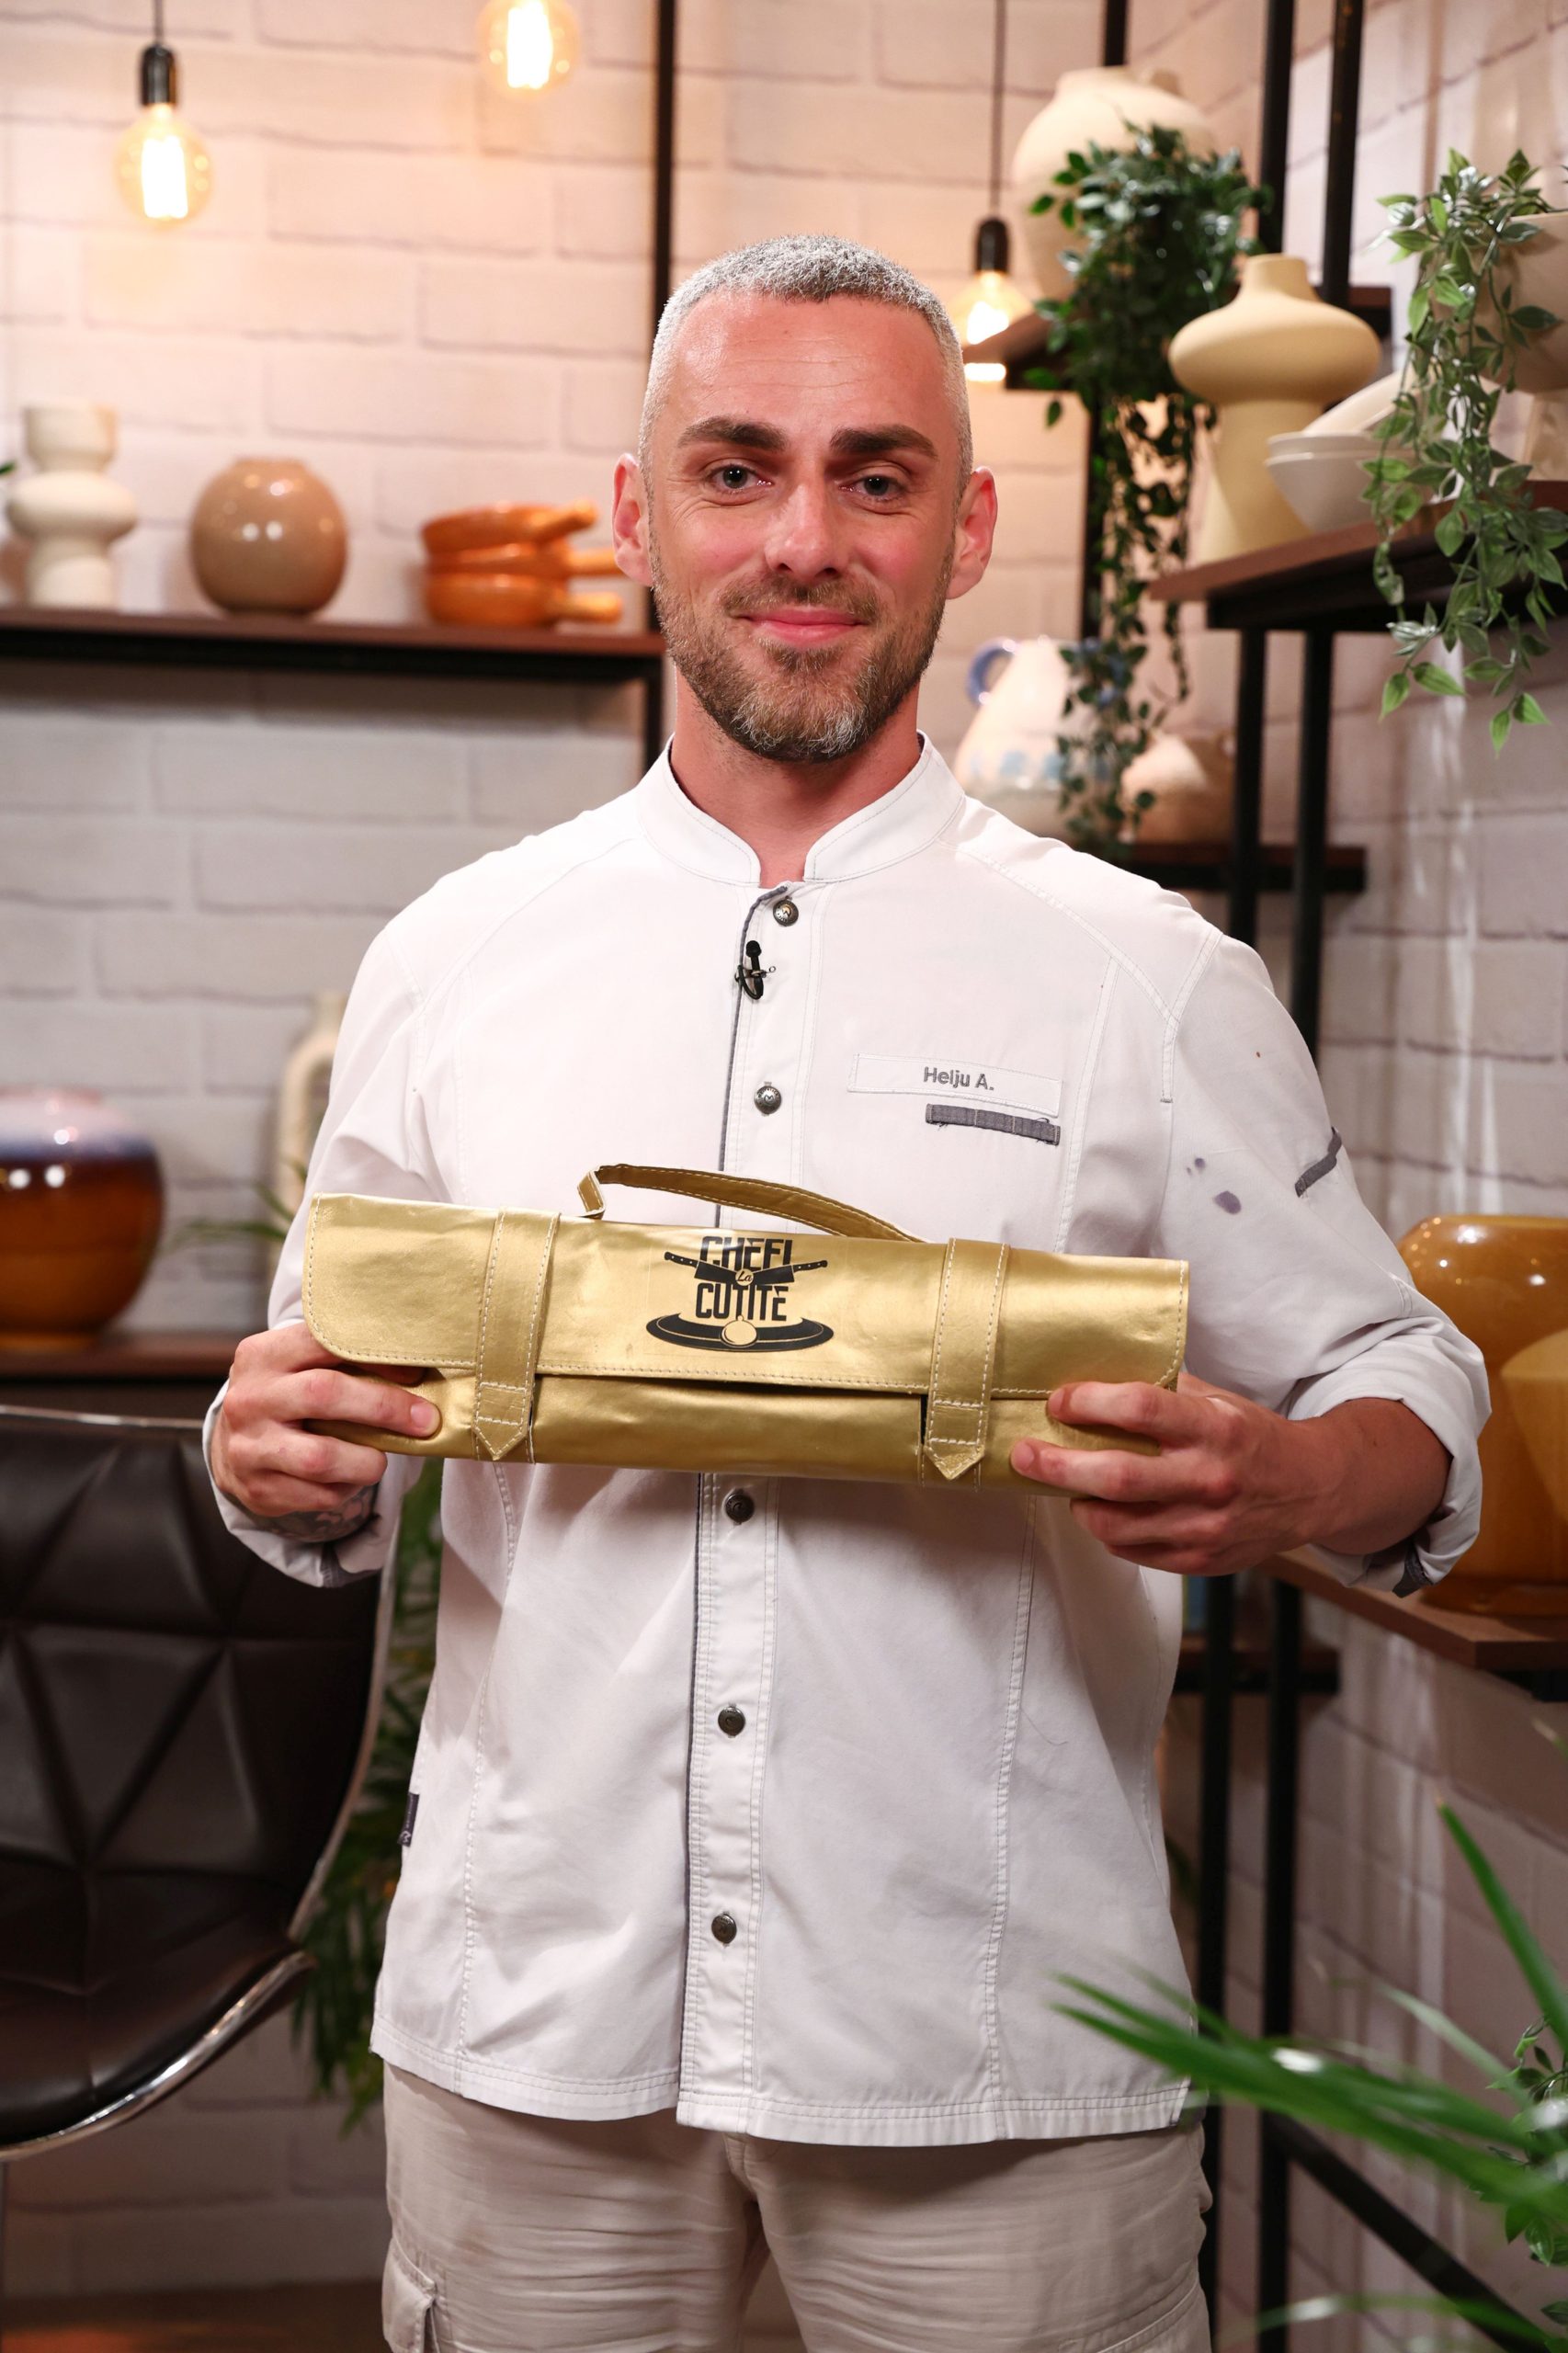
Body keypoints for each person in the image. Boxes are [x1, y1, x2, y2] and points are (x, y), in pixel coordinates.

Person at [208, 235, 1486, 2353]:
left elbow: (1404, 1372)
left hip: (992, 2038)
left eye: (875, 476)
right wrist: (276, 1452)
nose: (802, 539)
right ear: (639, 514)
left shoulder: (1147, 980)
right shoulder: (452, 959)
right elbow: (322, 1399)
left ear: (963, 530)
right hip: (530, 2026)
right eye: (737, 468)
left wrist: (1292, 1479)